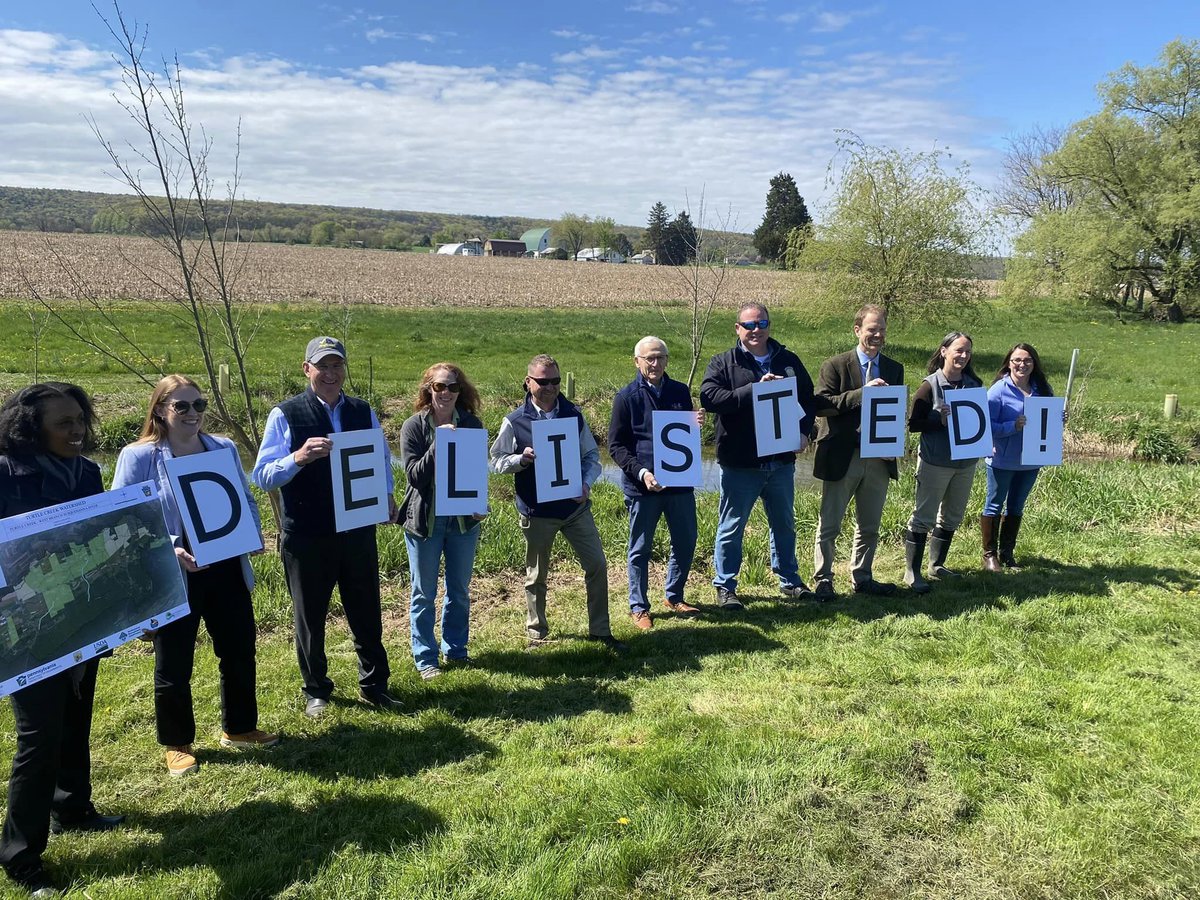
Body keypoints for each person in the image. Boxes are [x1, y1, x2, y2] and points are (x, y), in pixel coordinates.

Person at [111, 375, 279, 778]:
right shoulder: (139, 457)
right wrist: (169, 545)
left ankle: (239, 727)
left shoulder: (221, 447)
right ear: (160, 412)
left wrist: (252, 533)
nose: (192, 414)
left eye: (199, 405)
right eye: (181, 406)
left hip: (225, 564)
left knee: (239, 648)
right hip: (174, 571)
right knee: (174, 661)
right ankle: (177, 743)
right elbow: (122, 516)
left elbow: (243, 497)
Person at [0, 383, 124, 897]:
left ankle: (71, 806)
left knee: (77, 711)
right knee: (39, 733)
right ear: (32, 430)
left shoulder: (89, 473)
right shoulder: (5, 476)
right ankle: (20, 856)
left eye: (80, 421)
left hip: (80, 614)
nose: (77, 432)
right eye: (63, 424)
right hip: (25, 626)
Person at [252, 337, 402, 718]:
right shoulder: (285, 414)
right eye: (323, 366)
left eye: (337, 366)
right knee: (310, 616)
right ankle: (316, 689)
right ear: (307, 370)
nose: (331, 374)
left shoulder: (361, 410)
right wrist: (297, 458)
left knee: (366, 611)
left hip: (357, 532)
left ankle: (374, 685)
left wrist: (386, 495)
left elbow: (382, 459)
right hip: (307, 534)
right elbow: (263, 476)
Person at [489, 354, 623, 651]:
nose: (550, 387)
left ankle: (600, 631)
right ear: (528, 382)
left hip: (575, 509)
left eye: (555, 381)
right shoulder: (514, 421)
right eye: (542, 381)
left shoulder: (573, 415)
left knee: (597, 565)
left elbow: (592, 457)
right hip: (537, 512)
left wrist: (586, 484)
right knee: (536, 575)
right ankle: (536, 630)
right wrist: (520, 460)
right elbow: (496, 461)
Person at [700, 302, 821, 609]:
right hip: (741, 462)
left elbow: (808, 399)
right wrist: (754, 389)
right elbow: (710, 398)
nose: (756, 330)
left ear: (769, 325)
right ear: (738, 329)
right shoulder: (724, 362)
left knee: (783, 524)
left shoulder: (787, 360)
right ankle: (725, 586)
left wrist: (805, 431)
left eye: (762, 323)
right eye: (749, 325)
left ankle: (790, 581)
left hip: (780, 462)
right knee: (732, 527)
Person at [397, 363, 487, 679]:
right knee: (424, 593)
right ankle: (425, 659)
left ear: (460, 391)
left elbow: (476, 473)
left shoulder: (472, 425)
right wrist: (438, 444)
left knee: (459, 590)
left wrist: (479, 503)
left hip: (462, 523)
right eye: (439, 387)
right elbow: (414, 477)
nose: (446, 393)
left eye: (452, 387)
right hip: (425, 521)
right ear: (428, 390)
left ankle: (456, 650)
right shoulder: (413, 427)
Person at [608, 336, 704, 629]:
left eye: (661, 357)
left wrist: (694, 423)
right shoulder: (626, 397)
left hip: (679, 484)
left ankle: (673, 596)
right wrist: (642, 473)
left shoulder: (679, 391)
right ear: (637, 361)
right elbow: (616, 446)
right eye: (649, 358)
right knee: (640, 548)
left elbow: (682, 439)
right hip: (642, 488)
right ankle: (639, 607)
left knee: (686, 542)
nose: (655, 363)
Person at [811, 304, 904, 599]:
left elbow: (894, 411)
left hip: (878, 456)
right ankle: (823, 579)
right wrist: (863, 395)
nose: (877, 335)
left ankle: (862, 577)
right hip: (842, 454)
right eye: (871, 329)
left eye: (881, 330)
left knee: (870, 524)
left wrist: (892, 444)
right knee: (830, 522)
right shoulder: (835, 365)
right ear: (857, 330)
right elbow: (822, 405)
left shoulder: (894, 368)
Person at [904, 332, 983, 593]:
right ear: (944, 351)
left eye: (967, 352)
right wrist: (938, 420)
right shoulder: (929, 386)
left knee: (952, 516)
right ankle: (912, 573)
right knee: (923, 517)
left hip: (965, 463)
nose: (963, 356)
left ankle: (936, 565)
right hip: (935, 462)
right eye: (958, 350)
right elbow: (913, 424)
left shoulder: (974, 385)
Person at [983, 343, 1055, 571]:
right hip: (1002, 460)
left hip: (1030, 460)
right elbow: (986, 426)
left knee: (1016, 506)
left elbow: (1047, 424)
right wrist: (1012, 426)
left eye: (1027, 360)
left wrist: (1059, 416)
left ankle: (1007, 553)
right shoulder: (998, 390)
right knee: (994, 505)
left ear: (1034, 364)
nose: (1022, 365)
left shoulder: (1041, 390)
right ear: (1009, 363)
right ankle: (989, 556)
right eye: (1017, 360)